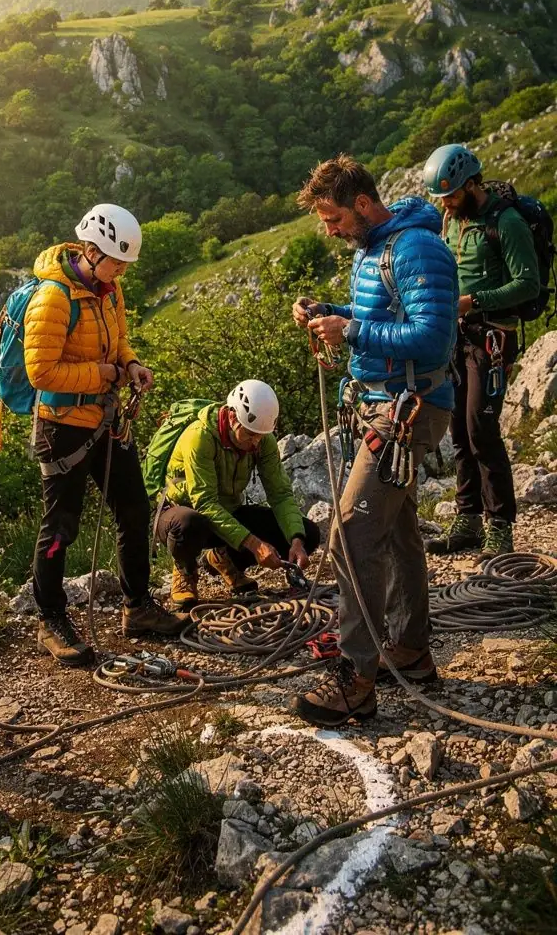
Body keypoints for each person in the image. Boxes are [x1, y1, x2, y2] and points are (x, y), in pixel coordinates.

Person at [291, 155, 458, 727]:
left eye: (333, 217)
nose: (329, 230)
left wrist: (353, 330)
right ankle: (409, 649)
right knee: (400, 529)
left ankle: (358, 677)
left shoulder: (415, 249)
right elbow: (383, 312)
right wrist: (331, 313)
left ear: (362, 205)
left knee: (350, 530)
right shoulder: (376, 247)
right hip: (389, 404)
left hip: (407, 409)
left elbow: (434, 334)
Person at [24, 202, 186, 664]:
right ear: (91, 251)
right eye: (116, 261)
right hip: (63, 429)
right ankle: (50, 619)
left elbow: (118, 340)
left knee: (135, 511)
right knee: (60, 527)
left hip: (106, 420)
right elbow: (41, 371)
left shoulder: (109, 290)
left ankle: (138, 607)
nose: (121, 271)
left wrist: (130, 364)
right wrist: (105, 375)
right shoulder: (54, 298)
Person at [422, 144, 540, 555]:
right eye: (441, 198)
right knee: (456, 427)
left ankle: (500, 524)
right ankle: (468, 517)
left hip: (491, 336)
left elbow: (529, 283)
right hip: (456, 335)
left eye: (452, 195)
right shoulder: (452, 220)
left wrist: (473, 301)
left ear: (473, 184)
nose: (447, 204)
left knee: (480, 427)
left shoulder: (506, 223)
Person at [154, 380, 321, 610]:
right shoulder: (200, 437)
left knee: (309, 534)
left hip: (228, 512)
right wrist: (254, 544)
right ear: (233, 418)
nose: (256, 443)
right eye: (251, 435)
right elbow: (205, 503)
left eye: (261, 436)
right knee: (189, 523)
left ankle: (224, 559)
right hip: (182, 513)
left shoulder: (262, 440)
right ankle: (185, 569)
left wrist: (296, 540)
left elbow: (280, 494)